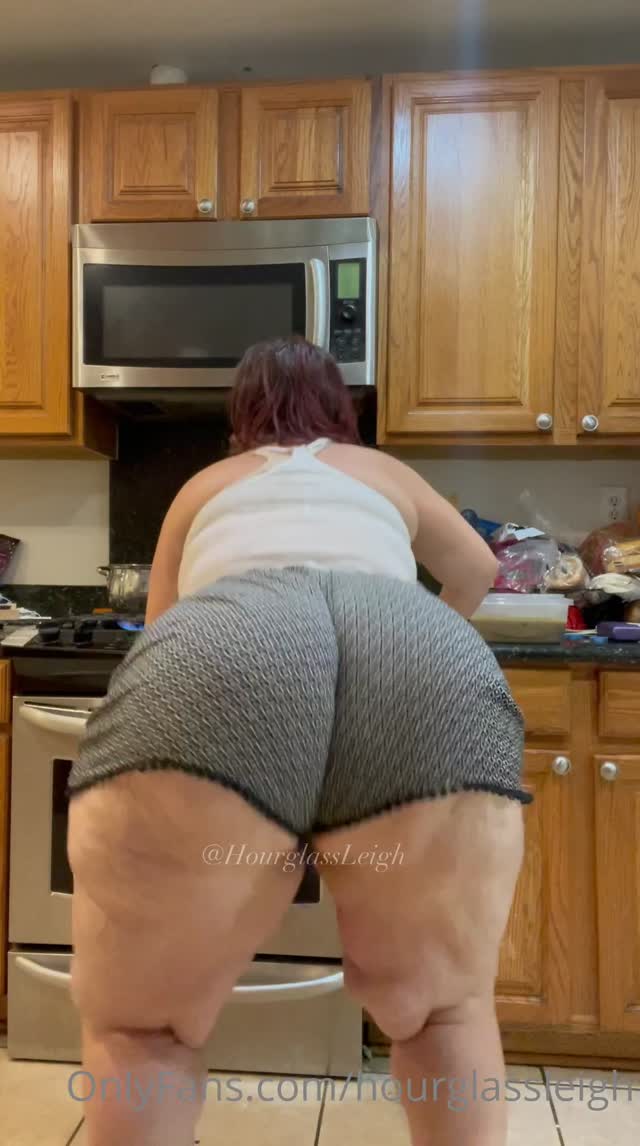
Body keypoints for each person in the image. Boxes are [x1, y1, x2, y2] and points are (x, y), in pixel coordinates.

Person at [67, 336, 527, 1146]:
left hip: (224, 646)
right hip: (413, 645)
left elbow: (165, 625)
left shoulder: (209, 483)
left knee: (143, 1026)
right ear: (340, 409)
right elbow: (478, 569)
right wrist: (414, 640)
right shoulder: (379, 470)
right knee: (444, 1009)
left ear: (241, 415)